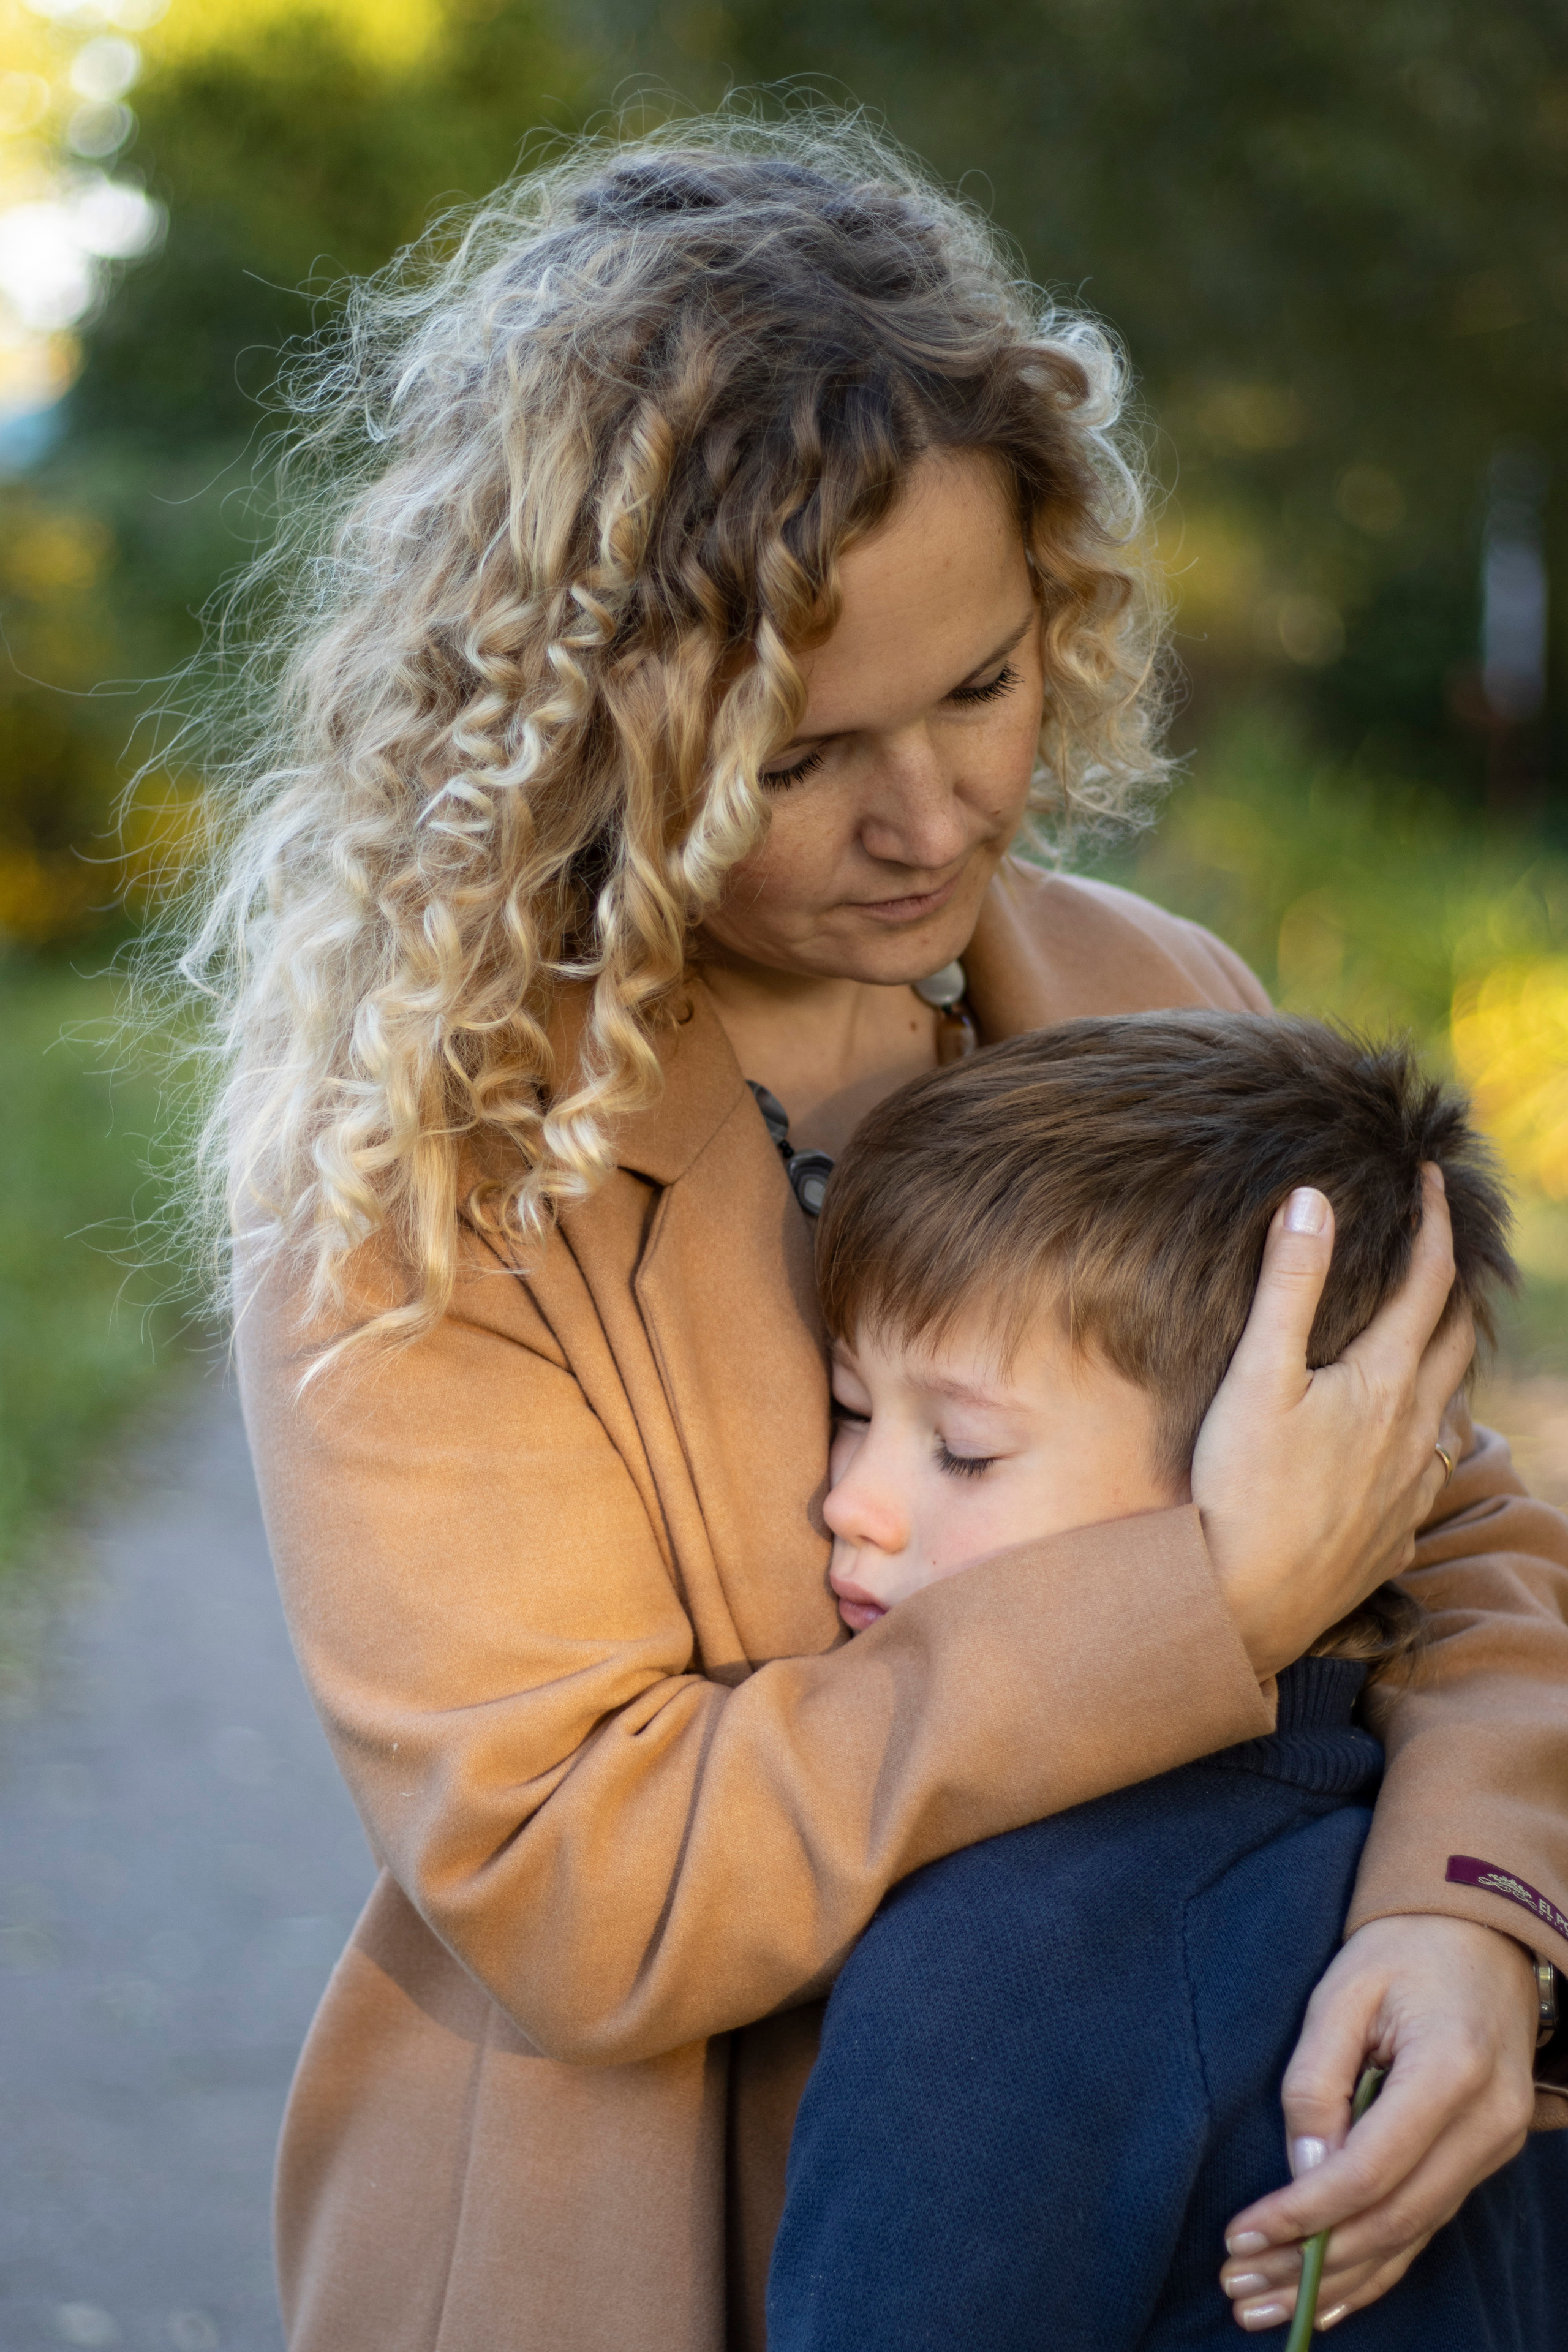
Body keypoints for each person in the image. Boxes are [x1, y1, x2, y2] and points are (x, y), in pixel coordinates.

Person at [190, 111, 1568, 2352]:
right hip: (635, 2251)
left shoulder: (1156, 993)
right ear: (585, 725)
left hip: (1184, 2200)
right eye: (804, 748)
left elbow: (1474, 1545)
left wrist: (1472, 1911)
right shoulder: (427, 1166)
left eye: (984, 685)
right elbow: (570, 1880)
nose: (931, 817)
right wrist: (1202, 1604)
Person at [766, 1012, 1568, 2351]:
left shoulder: (992, 1977)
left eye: (961, 1451)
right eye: (851, 1407)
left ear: (1311, 1469)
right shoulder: (1415, 1912)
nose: (852, 1503)